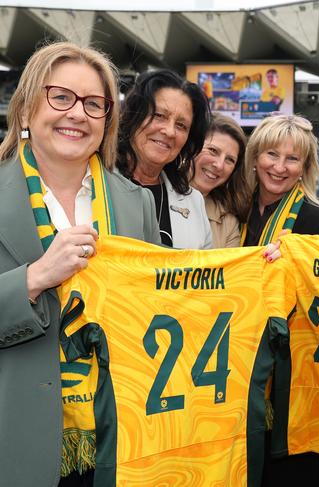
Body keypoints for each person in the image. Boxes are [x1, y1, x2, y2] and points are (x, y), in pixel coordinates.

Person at [0, 42, 160, 487]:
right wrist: (33, 280)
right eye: (61, 97)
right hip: (15, 438)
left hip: (120, 438)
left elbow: (161, 305)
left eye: (94, 104)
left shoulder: (136, 203)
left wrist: (264, 266)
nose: (77, 114)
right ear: (27, 108)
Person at [242, 114, 319, 487]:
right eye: (271, 154)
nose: (279, 167)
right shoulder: (235, 209)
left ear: (304, 167)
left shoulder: (317, 218)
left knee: (289, 471)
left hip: (291, 369)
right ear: (254, 157)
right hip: (237, 360)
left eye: (292, 159)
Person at [117, 69, 212, 249]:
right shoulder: (94, 183)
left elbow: (206, 272)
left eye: (181, 125)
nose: (169, 131)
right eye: (159, 116)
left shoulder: (194, 201)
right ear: (132, 115)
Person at [190, 113, 248, 248]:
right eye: (213, 150)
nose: (219, 165)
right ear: (192, 146)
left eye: (230, 160)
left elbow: (230, 269)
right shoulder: (156, 194)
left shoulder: (228, 221)